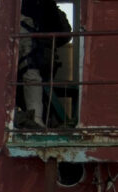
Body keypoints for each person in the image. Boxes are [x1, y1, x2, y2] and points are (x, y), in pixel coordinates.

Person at [18, 0, 72, 128]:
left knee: (31, 74)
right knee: (30, 75)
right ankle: (36, 119)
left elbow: (63, 33)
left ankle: (36, 119)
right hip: (33, 49)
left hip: (35, 50)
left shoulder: (43, 6)